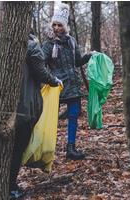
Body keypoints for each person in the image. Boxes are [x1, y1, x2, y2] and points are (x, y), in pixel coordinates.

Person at [9, 32, 62, 199]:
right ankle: (11, 189)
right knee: (17, 149)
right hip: (24, 108)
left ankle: (10, 185)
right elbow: (40, 73)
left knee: (9, 149)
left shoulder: (5, 45)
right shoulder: (32, 46)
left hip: (6, 107)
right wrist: (54, 80)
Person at [42, 3, 97, 160]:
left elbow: (77, 62)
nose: (57, 28)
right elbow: (41, 64)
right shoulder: (47, 44)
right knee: (50, 117)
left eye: (60, 25)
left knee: (73, 115)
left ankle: (70, 149)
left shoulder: (71, 41)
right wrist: (49, 78)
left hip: (72, 84)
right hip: (57, 85)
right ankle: (45, 149)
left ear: (64, 26)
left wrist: (88, 55)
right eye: (54, 24)